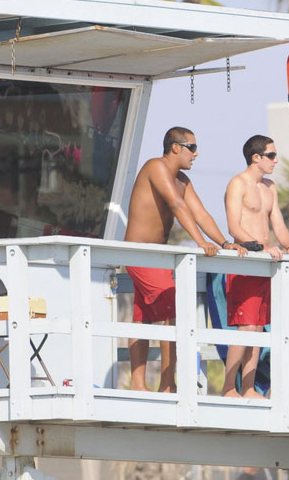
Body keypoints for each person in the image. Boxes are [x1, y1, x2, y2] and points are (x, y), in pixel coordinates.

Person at [124, 126, 246, 392]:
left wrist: (224, 242)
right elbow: (177, 205)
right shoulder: (155, 166)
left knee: (142, 316)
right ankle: (167, 385)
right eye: (192, 147)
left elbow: (201, 214)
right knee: (174, 309)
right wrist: (201, 243)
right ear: (175, 147)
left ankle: (139, 386)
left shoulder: (183, 180)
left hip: (159, 258)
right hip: (139, 253)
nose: (196, 154)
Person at [222, 135, 289, 398]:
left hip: (266, 266)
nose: (276, 161)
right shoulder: (237, 183)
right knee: (246, 327)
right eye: (271, 156)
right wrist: (260, 247)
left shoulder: (270, 187)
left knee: (258, 327)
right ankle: (227, 388)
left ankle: (248, 388)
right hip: (247, 262)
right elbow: (234, 226)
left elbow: (277, 222)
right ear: (255, 157)